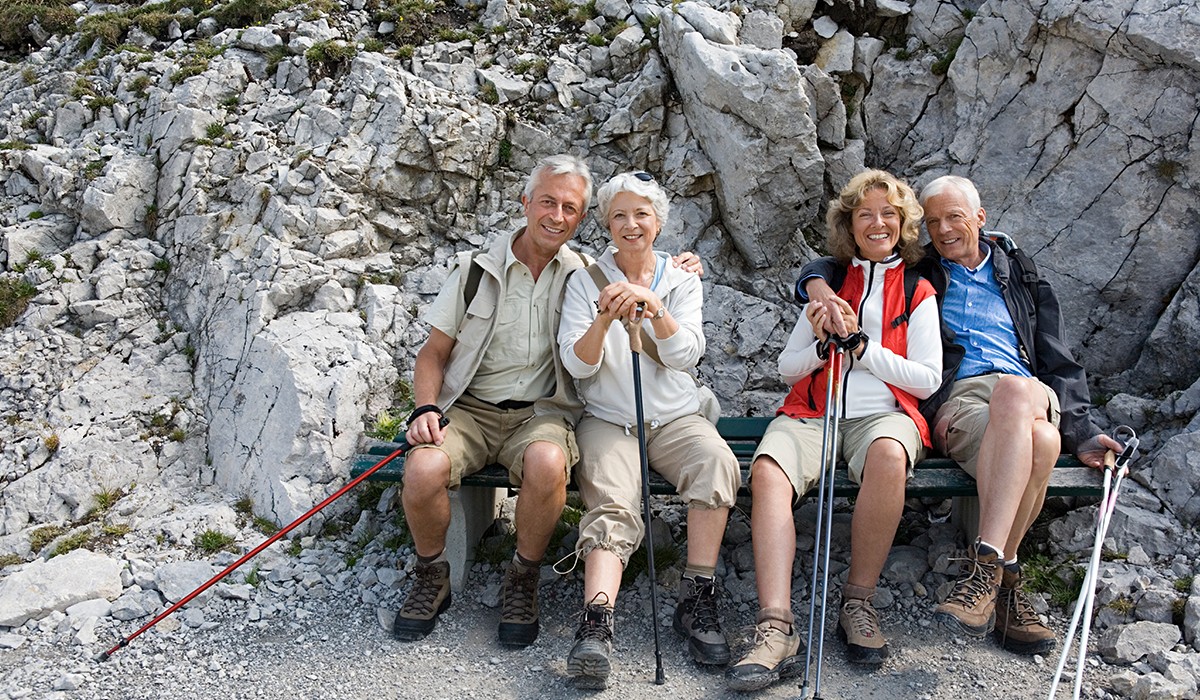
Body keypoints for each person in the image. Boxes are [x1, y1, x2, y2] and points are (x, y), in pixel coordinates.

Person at [797, 174, 1120, 655]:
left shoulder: (1021, 273)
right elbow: (844, 259)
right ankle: (1006, 585)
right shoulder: (922, 272)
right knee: (1046, 444)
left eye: (955, 217)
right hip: (964, 401)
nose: (944, 230)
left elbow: (1058, 356)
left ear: (980, 218)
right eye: (933, 222)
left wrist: (1087, 432)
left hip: (1027, 390)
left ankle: (983, 569)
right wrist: (816, 284)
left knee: (1016, 393)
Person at [396, 156, 704, 647]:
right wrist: (426, 409)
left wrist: (684, 262)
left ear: (582, 219)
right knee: (422, 469)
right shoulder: (474, 271)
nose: (556, 216)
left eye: (570, 208)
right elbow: (433, 352)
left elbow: (640, 264)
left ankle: (524, 575)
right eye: (547, 202)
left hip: (542, 412)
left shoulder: (584, 274)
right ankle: (432, 573)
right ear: (525, 204)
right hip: (470, 409)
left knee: (548, 461)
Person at [726, 170, 942, 691]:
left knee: (890, 457)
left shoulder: (918, 289)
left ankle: (858, 602)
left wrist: (866, 350)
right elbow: (786, 367)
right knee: (770, 470)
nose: (877, 223)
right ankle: (776, 625)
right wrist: (823, 347)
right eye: (864, 214)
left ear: (903, 223)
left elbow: (928, 377)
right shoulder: (827, 285)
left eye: (888, 213)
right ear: (849, 224)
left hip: (885, 417)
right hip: (814, 413)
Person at [556, 171, 740, 689]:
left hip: (674, 416)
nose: (631, 224)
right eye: (619, 215)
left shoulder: (681, 280)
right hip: (609, 419)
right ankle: (597, 621)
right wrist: (601, 320)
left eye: (641, 215)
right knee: (613, 501)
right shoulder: (584, 280)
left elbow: (686, 355)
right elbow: (579, 366)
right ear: (607, 224)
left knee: (716, 464)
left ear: (658, 223)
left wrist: (656, 310)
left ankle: (696, 596)